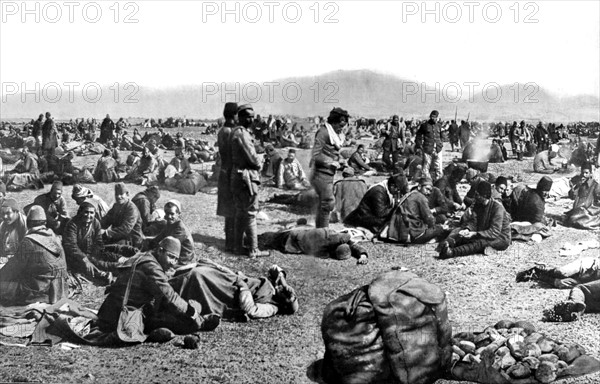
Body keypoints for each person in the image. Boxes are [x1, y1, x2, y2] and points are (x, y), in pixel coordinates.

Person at [92, 237, 219, 337]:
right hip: (123, 315)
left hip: (109, 309)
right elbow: (169, 297)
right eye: (170, 256)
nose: (173, 262)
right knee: (180, 319)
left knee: (167, 309)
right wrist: (192, 312)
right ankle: (200, 323)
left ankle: (161, 329)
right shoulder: (151, 267)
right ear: (160, 250)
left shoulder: (144, 256)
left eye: (175, 259)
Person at [168, 260, 298, 321]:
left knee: (197, 276)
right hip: (231, 279)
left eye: (287, 296)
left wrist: (243, 288)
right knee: (201, 266)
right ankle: (166, 281)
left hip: (230, 294)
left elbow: (251, 310)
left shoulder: (272, 307)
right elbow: (274, 268)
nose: (286, 291)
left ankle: (166, 291)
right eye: (289, 292)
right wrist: (284, 282)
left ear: (284, 304)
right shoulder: (275, 287)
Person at [0, 206, 68, 305]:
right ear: (45, 223)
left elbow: (13, 269)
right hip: (60, 289)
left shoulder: (29, 241)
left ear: (28, 223)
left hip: (40, 291)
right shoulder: (55, 237)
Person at [230, 104, 269, 258]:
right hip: (246, 178)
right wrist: (260, 159)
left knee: (240, 213)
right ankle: (253, 249)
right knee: (251, 213)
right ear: (240, 117)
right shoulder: (243, 134)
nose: (251, 119)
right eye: (248, 116)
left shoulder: (237, 132)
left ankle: (237, 247)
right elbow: (253, 160)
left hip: (238, 176)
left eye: (253, 116)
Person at [439, 181, 511, 259]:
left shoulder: (497, 208)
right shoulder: (478, 203)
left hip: (501, 238)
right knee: (466, 237)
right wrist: (468, 229)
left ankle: (451, 253)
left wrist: (474, 234)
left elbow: (494, 232)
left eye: (477, 195)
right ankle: (448, 245)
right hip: (485, 232)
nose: (475, 197)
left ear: (485, 196)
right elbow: (474, 221)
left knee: (479, 243)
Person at [516, 258, 599, 322]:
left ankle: (537, 275)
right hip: (591, 266)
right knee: (562, 272)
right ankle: (540, 269)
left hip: (586, 280)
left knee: (560, 283)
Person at [310, 107, 349, 228]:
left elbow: (332, 152)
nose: (341, 128)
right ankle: (324, 231)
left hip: (328, 173)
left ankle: (321, 230)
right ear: (334, 121)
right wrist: (330, 162)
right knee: (328, 202)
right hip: (320, 173)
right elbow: (315, 155)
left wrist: (340, 161)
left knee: (324, 203)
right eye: (340, 125)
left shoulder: (334, 133)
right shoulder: (324, 132)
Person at [261, 225, 369, 265]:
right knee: (266, 239)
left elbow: (346, 238)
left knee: (264, 237)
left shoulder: (332, 237)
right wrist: (362, 254)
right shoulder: (324, 253)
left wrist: (350, 236)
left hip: (290, 237)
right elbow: (352, 246)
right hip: (289, 245)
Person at [399, 177, 448, 244]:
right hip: (414, 235)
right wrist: (434, 228)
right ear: (419, 187)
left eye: (430, 191)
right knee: (441, 229)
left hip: (402, 232)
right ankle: (432, 239)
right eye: (427, 189)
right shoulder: (421, 197)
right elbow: (429, 218)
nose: (428, 192)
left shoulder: (409, 194)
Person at [146, 200, 195, 265]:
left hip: (182, 260)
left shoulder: (180, 229)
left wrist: (149, 253)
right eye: (167, 213)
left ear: (178, 214)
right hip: (171, 254)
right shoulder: (170, 224)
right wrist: (146, 240)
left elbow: (167, 246)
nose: (169, 216)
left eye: (172, 214)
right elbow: (159, 238)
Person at [216, 102, 237, 252]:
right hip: (231, 172)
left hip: (224, 172)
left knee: (229, 211)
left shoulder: (222, 130)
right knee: (234, 209)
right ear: (233, 115)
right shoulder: (231, 132)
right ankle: (231, 243)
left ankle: (229, 241)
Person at [101, 183, 144, 248]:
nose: (118, 197)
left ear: (127, 195)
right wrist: (96, 226)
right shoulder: (116, 206)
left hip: (131, 239)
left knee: (112, 249)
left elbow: (126, 229)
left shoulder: (131, 208)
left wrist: (106, 232)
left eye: (121, 194)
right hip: (117, 236)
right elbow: (106, 220)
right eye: (116, 194)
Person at [565, 162, 600, 229]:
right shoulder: (580, 183)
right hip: (579, 210)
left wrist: (591, 210)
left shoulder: (595, 185)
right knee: (572, 219)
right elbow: (572, 197)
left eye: (586, 173)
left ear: (590, 174)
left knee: (575, 220)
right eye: (582, 173)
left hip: (589, 211)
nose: (584, 175)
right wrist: (577, 186)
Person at [415, 110, 443, 180]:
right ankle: (427, 182)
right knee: (426, 167)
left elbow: (441, 136)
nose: (433, 118)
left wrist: (441, 144)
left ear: (437, 117)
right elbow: (418, 135)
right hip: (428, 149)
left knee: (439, 167)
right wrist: (419, 145)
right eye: (432, 117)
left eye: (435, 117)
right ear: (430, 116)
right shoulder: (424, 125)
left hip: (438, 149)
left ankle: (438, 181)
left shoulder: (439, 126)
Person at [0, 199, 28, 264]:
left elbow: (28, 250)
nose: (5, 216)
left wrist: (9, 259)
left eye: (8, 213)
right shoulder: (2, 225)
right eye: (3, 213)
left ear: (16, 212)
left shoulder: (25, 224)